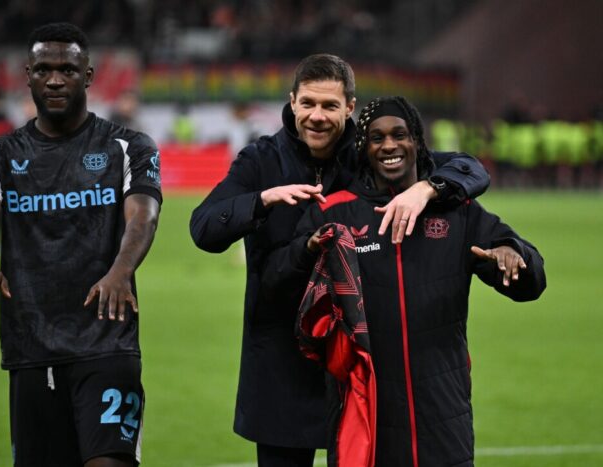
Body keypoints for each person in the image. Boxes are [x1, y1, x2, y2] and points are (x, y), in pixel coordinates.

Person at [189, 54, 491, 466]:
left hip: (358, 366)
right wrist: (261, 200)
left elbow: (470, 168)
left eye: (330, 106)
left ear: (349, 107)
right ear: (292, 101)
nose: (317, 116)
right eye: (308, 103)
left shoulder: (367, 154)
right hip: (281, 363)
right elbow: (203, 229)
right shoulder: (260, 161)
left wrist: (430, 189)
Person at [287, 96, 546, 466]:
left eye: (400, 135)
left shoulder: (457, 212)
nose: (389, 145)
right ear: (365, 148)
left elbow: (530, 281)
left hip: (444, 416)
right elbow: (285, 280)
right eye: (377, 138)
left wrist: (512, 252)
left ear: (417, 142)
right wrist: (306, 252)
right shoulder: (335, 211)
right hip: (365, 414)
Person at [0, 23, 161, 467]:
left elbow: (143, 213)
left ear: (88, 76)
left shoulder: (127, 147)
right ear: (27, 73)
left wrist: (121, 270)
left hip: (107, 340)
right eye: (44, 70)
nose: (55, 80)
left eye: (68, 70)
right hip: (31, 346)